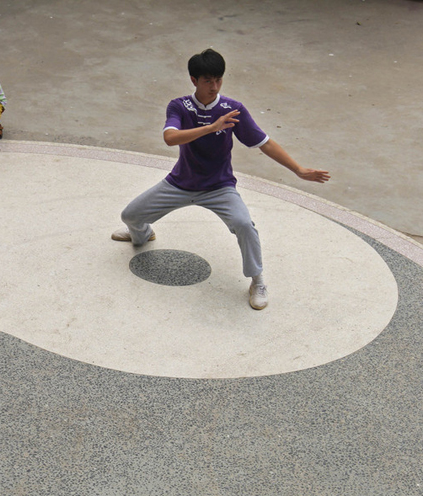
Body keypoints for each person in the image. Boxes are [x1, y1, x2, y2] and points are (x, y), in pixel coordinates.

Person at [112, 49, 330, 310]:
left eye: (218, 80)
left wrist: (298, 169)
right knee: (130, 216)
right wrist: (212, 128)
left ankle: (257, 280)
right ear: (194, 80)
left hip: (219, 187)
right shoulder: (179, 106)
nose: (214, 86)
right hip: (179, 183)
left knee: (245, 225)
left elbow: (264, 142)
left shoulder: (232, 110)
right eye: (208, 81)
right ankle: (143, 235)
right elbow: (170, 138)